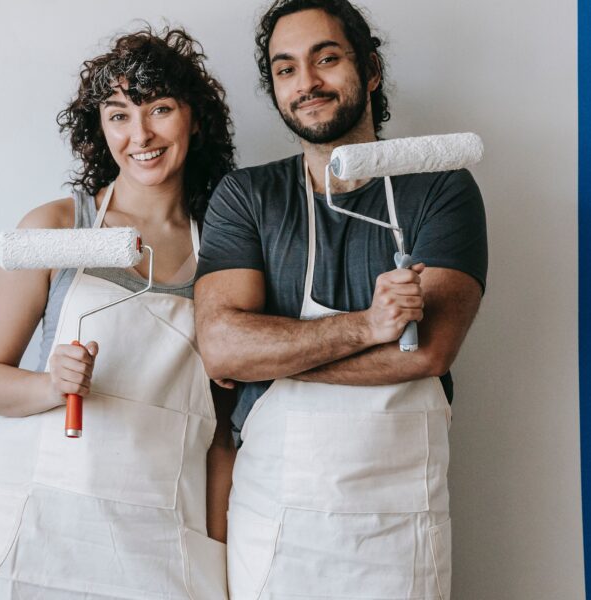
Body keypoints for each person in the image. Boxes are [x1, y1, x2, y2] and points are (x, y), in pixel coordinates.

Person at [193, 1, 487, 599]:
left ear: (370, 68)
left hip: (399, 523)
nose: (307, 83)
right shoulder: (248, 196)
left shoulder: (441, 186)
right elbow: (221, 348)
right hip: (274, 518)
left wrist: (276, 355)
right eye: (286, 69)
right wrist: (370, 326)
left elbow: (426, 353)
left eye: (326, 58)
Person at [0, 26, 237, 599]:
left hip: (160, 539)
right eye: (119, 115)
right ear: (99, 129)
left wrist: (220, 559)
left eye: (160, 109)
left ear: (194, 120)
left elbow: (221, 435)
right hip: (36, 532)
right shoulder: (54, 228)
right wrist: (52, 386)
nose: (141, 134)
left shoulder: (227, 253)